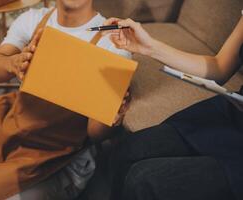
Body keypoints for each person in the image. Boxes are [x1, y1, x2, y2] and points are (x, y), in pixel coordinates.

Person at [0, 1, 131, 200]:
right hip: (12, 126)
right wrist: (12, 63)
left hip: (58, 156)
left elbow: (95, 133)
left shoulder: (112, 39)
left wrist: (112, 115)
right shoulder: (33, 19)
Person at [103, 10, 243, 200]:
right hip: (234, 112)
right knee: (128, 150)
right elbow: (219, 67)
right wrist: (148, 47)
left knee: (145, 182)